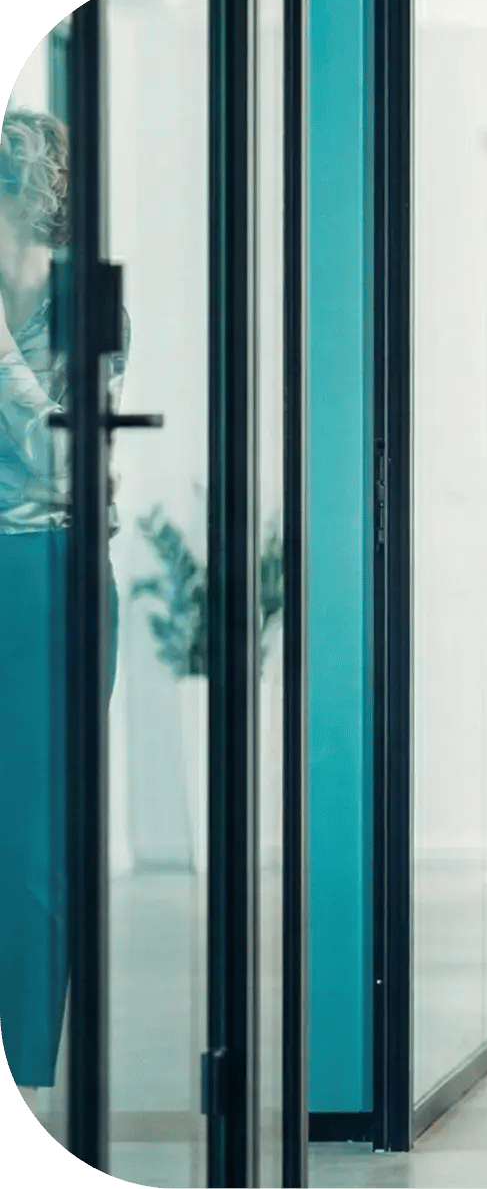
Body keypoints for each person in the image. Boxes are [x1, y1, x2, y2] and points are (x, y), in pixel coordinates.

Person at [0, 107, 127, 1123]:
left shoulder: (94, 294)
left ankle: (28, 1076)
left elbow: (60, 454)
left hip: (55, 570)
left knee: (41, 836)